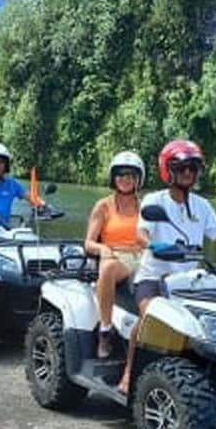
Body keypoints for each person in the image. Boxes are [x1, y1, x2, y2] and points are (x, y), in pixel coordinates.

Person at [117, 139, 216, 393]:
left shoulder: (202, 206)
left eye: (193, 168)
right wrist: (154, 246)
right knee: (149, 317)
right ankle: (128, 372)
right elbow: (141, 234)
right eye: (182, 168)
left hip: (190, 282)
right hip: (153, 279)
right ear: (168, 170)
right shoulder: (154, 201)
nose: (188, 173)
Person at [83, 151, 146, 358]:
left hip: (143, 255)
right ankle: (105, 330)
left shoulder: (145, 206)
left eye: (130, 175)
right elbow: (88, 243)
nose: (125, 179)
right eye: (120, 174)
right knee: (108, 266)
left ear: (138, 179)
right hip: (116, 256)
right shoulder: (103, 206)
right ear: (113, 177)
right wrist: (103, 249)